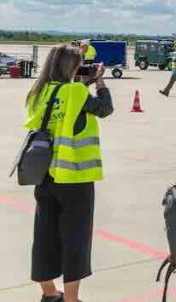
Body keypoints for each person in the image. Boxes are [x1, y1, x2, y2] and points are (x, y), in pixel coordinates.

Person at [23, 44, 113, 302]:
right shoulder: (75, 91)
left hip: (44, 175)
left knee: (44, 234)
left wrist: (81, 84)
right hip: (74, 177)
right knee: (76, 239)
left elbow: (62, 108)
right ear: (70, 67)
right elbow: (104, 108)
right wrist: (99, 82)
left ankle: (49, 292)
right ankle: (71, 298)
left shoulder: (37, 92)